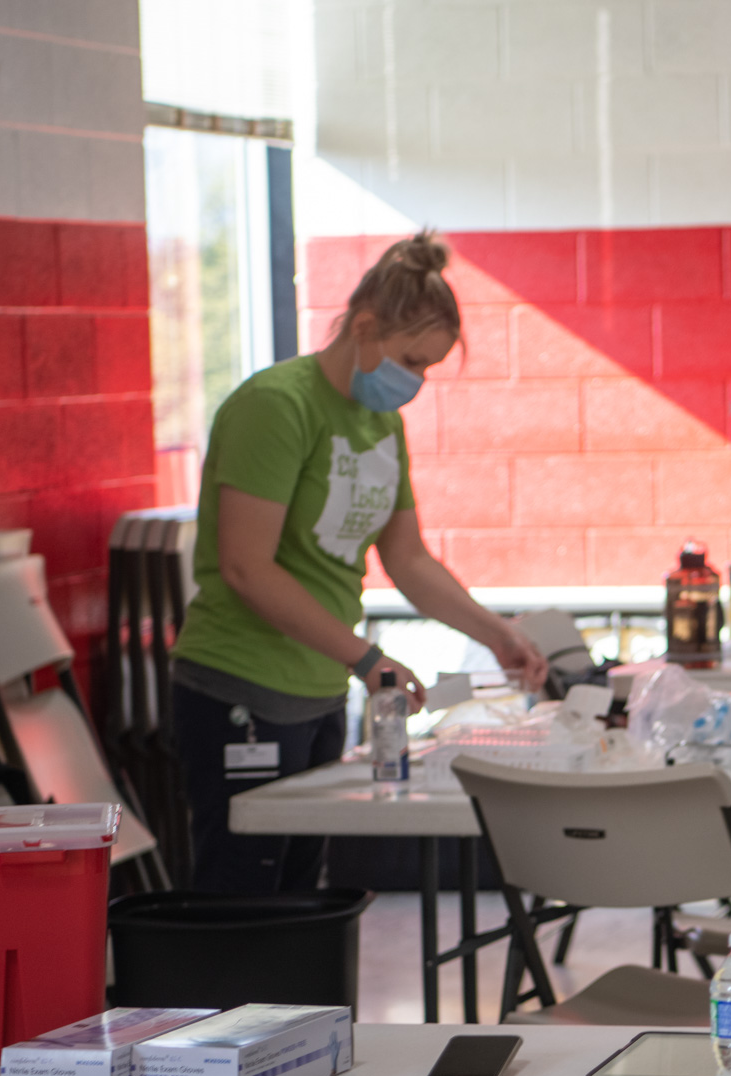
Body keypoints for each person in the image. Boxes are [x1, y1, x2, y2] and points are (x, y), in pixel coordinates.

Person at [171, 232, 547, 893]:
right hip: (240, 686)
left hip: (317, 691)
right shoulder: (277, 406)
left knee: (299, 892)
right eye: (411, 360)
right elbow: (246, 568)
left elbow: (407, 559)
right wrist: (365, 657)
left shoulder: (380, 424)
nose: (415, 382)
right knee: (241, 898)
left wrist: (497, 633)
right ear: (364, 327)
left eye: (427, 368)